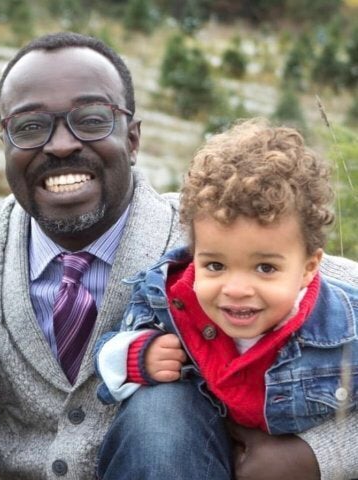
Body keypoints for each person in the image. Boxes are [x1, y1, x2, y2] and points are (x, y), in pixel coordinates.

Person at [0, 33, 358, 479]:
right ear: (5, 145)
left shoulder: (217, 240)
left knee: (164, 408)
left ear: (133, 139)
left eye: (92, 119)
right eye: (30, 127)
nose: (61, 145)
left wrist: (318, 456)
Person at [96, 118, 358, 479]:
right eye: (216, 265)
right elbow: (108, 350)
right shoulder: (170, 301)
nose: (236, 289)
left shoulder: (343, 329)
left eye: (265, 268)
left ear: (309, 268)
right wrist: (138, 355)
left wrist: (319, 457)